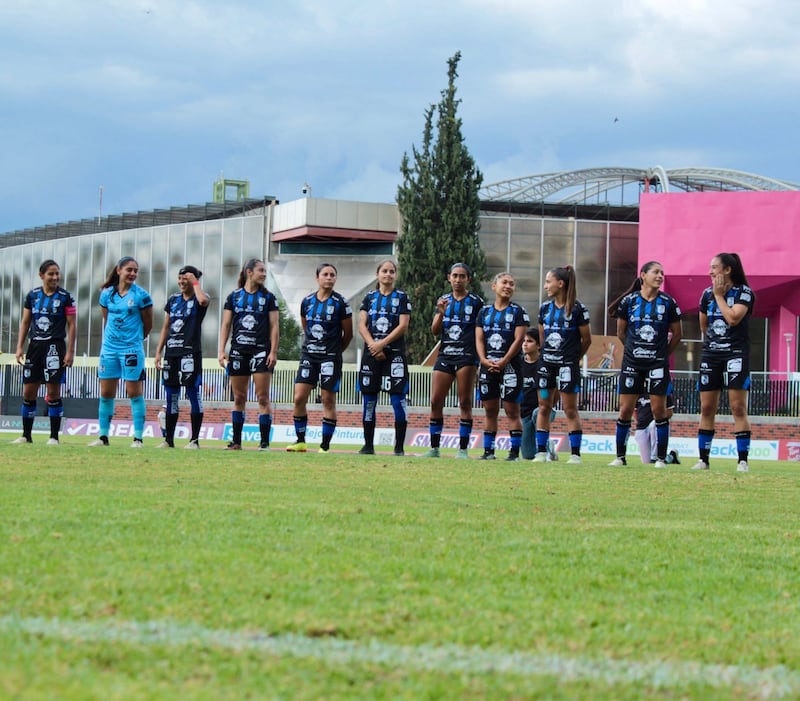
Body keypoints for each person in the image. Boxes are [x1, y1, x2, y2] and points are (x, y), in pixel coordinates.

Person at [606, 260, 682, 468]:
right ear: (643, 275)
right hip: (632, 364)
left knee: (660, 411)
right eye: (656, 272)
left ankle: (660, 459)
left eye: (662, 273)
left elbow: (677, 334)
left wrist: (662, 354)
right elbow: (621, 333)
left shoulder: (668, 303)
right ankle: (620, 457)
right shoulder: (629, 302)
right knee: (625, 410)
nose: (660, 276)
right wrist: (633, 350)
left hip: (657, 364)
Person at [692, 253, 755, 472]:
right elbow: (704, 326)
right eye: (709, 267)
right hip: (711, 356)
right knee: (707, 407)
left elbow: (733, 318)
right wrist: (714, 345)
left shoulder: (744, 293)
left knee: (737, 407)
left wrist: (719, 296)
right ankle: (703, 460)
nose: (710, 272)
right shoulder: (705, 295)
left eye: (714, 267)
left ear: (727, 270)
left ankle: (742, 460)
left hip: (736, 354)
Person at [287, 262, 352, 453]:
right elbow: (305, 326)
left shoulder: (341, 303)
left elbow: (348, 334)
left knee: (328, 400)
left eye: (333, 275)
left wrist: (334, 351)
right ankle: (300, 441)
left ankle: (324, 446)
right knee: (299, 397)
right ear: (317, 278)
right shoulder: (307, 302)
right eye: (326, 274)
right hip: (309, 356)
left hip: (330, 357)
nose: (329, 277)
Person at [90, 256, 153, 447]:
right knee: (106, 392)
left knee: (134, 392)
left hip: (131, 349)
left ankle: (138, 438)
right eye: (129, 270)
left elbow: (148, 323)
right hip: (109, 350)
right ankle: (103, 436)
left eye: (135, 270)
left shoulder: (141, 295)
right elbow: (106, 318)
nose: (133, 273)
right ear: (119, 270)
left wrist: (134, 339)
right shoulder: (106, 294)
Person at [13, 259, 77, 445]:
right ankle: (26, 435)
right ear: (42, 275)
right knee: (28, 392)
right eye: (51, 274)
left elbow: (72, 325)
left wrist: (70, 351)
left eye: (57, 273)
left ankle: (54, 437)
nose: (55, 277)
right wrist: (19, 347)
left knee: (53, 392)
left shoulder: (66, 297)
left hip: (55, 347)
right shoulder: (32, 296)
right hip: (34, 347)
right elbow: (25, 322)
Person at [217, 258, 279, 451]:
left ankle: (264, 443)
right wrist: (221, 351)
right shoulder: (233, 297)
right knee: (239, 398)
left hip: (261, 351)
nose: (264, 274)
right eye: (261, 270)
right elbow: (226, 325)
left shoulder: (269, 298)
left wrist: (273, 351)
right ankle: (236, 442)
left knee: (262, 397)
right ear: (249, 272)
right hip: (238, 351)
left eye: (265, 271)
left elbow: (274, 326)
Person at [423, 263, 484, 459]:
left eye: (462, 276)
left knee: (465, 402)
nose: (458, 280)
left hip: (466, 356)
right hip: (445, 355)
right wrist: (441, 312)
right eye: (455, 276)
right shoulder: (443, 300)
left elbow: (481, 331)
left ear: (468, 279)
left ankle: (463, 449)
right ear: (449, 277)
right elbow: (434, 331)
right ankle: (434, 448)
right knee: (435, 401)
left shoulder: (476, 302)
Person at [534, 265, 591, 464]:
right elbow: (542, 337)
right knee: (543, 406)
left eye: (548, 281)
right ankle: (541, 452)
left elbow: (587, 340)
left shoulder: (578, 309)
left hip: (568, 366)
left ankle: (575, 454)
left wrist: (574, 358)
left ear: (561, 283)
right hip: (546, 366)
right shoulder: (544, 308)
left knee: (570, 409)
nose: (545, 286)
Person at [357, 260, 412, 456]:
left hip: (395, 355)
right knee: (369, 401)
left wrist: (382, 344)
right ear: (378, 274)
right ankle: (368, 445)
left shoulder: (402, 297)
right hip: (371, 355)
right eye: (384, 271)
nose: (387, 274)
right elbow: (362, 324)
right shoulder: (369, 297)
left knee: (398, 401)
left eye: (391, 271)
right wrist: (373, 345)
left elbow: (403, 325)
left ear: (395, 275)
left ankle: (399, 448)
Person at [154, 265, 210, 449]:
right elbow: (165, 326)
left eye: (185, 278)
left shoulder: (200, 298)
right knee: (171, 396)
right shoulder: (173, 300)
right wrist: (158, 351)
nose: (181, 282)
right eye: (179, 278)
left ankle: (194, 440)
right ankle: (168, 440)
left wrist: (195, 281)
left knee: (193, 393)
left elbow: (203, 300)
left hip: (190, 354)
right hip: (171, 354)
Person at [475, 272, 529, 461]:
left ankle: (514, 453)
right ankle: (488, 452)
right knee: (490, 410)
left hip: (511, 367)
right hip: (488, 367)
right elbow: (479, 338)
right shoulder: (484, 312)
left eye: (512, 284)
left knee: (512, 410)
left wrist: (505, 360)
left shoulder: (518, 312)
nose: (508, 286)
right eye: (504, 282)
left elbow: (519, 339)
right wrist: (482, 359)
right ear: (494, 286)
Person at [520, 328, 558, 461]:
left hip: (543, 410)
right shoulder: (518, 363)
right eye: (524, 341)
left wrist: (549, 406)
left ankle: (545, 448)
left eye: (529, 341)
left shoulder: (545, 364)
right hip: (524, 413)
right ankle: (549, 444)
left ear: (538, 345)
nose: (525, 344)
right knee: (528, 455)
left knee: (538, 413)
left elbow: (555, 390)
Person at [633, 393, 680, 465]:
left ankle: (654, 457)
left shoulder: (662, 391)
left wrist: (661, 420)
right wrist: (639, 422)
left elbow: (670, 412)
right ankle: (671, 457)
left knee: (653, 425)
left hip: (656, 424)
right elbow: (635, 411)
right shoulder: (639, 392)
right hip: (642, 427)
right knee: (646, 462)